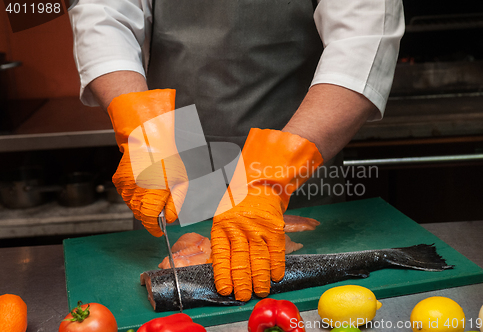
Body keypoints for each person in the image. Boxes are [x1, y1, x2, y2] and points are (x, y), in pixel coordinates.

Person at [69, 0, 405, 302]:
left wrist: (270, 180)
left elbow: (363, 39)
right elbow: (103, 13)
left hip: (300, 165)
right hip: (173, 162)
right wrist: (143, 129)